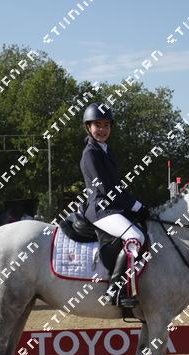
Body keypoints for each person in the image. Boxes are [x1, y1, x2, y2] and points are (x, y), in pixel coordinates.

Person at [79, 102, 149, 308]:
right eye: (97, 125)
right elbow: (107, 189)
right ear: (88, 127)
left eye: (106, 125)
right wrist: (136, 206)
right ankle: (115, 290)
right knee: (135, 237)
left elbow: (118, 187)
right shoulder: (90, 153)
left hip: (111, 206)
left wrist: (137, 205)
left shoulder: (106, 151)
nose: (102, 130)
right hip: (100, 208)